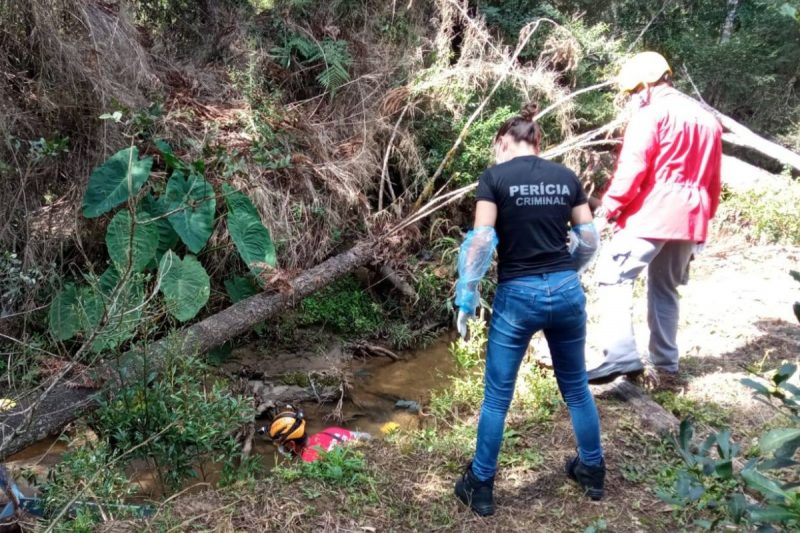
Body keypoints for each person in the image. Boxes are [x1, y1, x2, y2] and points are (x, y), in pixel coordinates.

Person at [452, 102, 604, 516]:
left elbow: (482, 241)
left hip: (517, 295)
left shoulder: (494, 178)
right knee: (576, 387)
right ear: (538, 142)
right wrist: (562, 275)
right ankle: (592, 470)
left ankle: (480, 485)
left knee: (498, 397)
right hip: (567, 291)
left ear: (503, 141)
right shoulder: (566, 176)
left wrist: (466, 294)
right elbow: (589, 240)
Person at [587, 51, 723, 383]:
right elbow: (713, 180)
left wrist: (610, 208)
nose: (632, 99)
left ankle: (620, 356)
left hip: (654, 212)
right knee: (665, 287)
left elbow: (633, 167)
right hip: (691, 217)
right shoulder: (707, 120)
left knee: (612, 274)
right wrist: (703, 224)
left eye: (633, 93)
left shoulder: (651, 114)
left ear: (646, 86)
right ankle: (666, 365)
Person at [259, 405, 370, 462]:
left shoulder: (309, 459)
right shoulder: (330, 431)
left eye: (283, 446)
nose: (282, 449)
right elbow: (366, 437)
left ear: (292, 445)